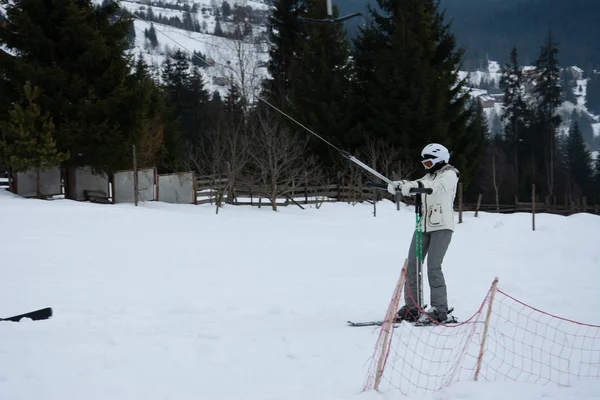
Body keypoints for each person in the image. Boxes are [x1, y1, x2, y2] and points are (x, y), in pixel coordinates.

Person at [386, 143, 460, 323]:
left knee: (433, 266)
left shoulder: (450, 175)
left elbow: (432, 187)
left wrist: (413, 185)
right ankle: (413, 307)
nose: (426, 167)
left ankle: (440, 309)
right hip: (422, 226)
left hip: (442, 227)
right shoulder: (430, 175)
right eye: (424, 164)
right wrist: (400, 185)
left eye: (428, 163)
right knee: (412, 265)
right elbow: (420, 183)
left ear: (439, 160)